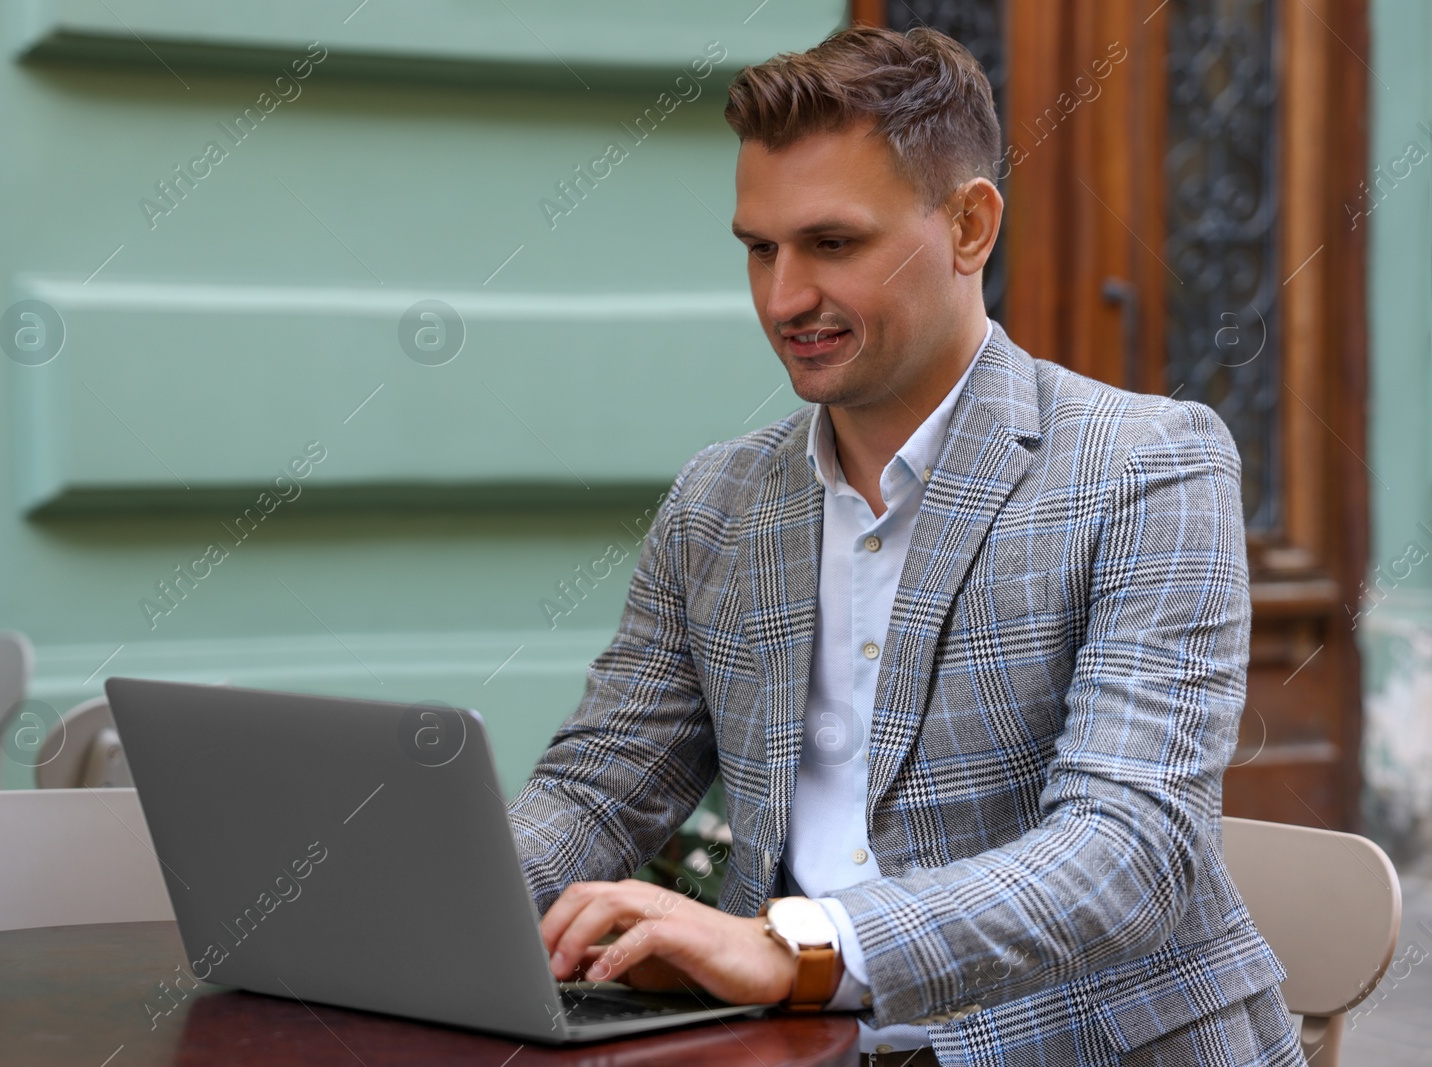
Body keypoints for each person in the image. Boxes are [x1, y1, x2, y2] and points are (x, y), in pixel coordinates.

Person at [506, 24, 1305, 1067]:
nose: (783, 297)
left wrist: (795, 945)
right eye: (759, 248)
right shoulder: (718, 502)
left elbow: (1129, 852)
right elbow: (599, 787)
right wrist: (432, 913)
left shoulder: (1148, 467)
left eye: (832, 244)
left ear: (970, 226)